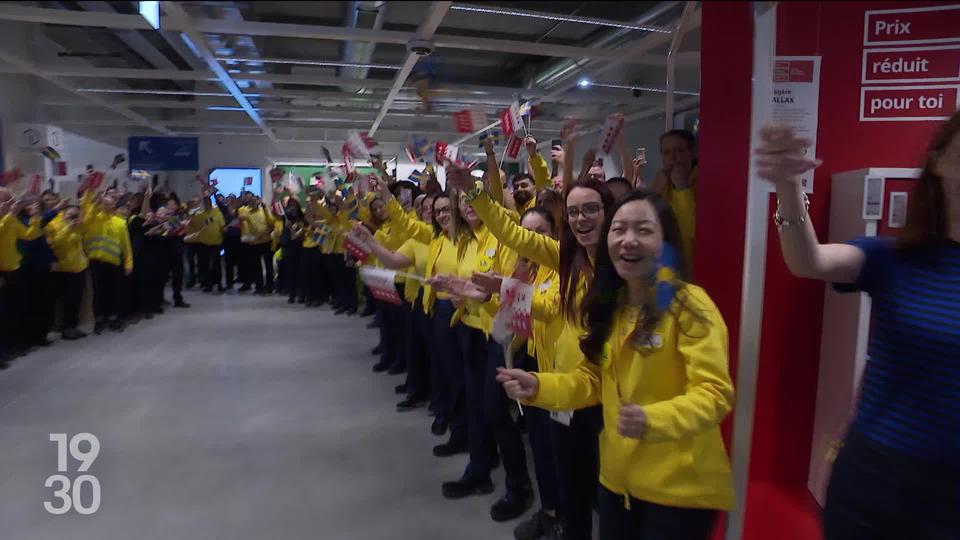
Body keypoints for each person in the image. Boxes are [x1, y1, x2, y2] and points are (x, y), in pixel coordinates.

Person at [755, 118, 960, 540]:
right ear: (939, 162)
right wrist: (789, 187)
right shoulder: (894, 258)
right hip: (874, 476)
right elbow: (807, 261)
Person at [498, 190, 735, 539]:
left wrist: (653, 419)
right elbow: (593, 379)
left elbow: (715, 393)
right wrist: (541, 386)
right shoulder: (612, 304)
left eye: (643, 230)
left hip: (679, 490)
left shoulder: (688, 305)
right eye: (619, 229)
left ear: (665, 240)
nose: (628, 240)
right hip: (617, 481)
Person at [448, 125, 615, 539]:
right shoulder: (564, 258)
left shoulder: (619, 269)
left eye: (591, 209)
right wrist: (472, 191)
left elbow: (545, 305)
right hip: (558, 381)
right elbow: (512, 233)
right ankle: (558, 518)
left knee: (593, 485)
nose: (581, 219)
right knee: (564, 471)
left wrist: (497, 288)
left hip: (599, 392)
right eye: (575, 212)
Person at [82, 187, 133, 334]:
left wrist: (129, 263)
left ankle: (118, 318)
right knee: (99, 293)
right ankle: (99, 319)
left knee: (117, 292)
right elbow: (86, 217)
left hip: (114, 263)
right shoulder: (93, 219)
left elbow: (126, 245)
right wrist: (95, 201)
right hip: (96, 262)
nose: (107, 206)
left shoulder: (120, 222)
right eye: (104, 203)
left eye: (110, 204)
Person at [644, 129, 697, 270]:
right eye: (667, 152)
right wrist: (653, 193)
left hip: (693, 268)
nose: (673, 157)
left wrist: (682, 189)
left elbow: (692, 230)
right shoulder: (659, 183)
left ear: (692, 153)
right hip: (660, 268)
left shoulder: (703, 182)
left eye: (679, 150)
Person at [49, 204, 88, 340]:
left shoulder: (79, 226)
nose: (73, 218)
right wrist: (68, 228)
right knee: (64, 301)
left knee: (75, 300)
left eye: (76, 215)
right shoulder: (54, 225)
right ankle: (64, 328)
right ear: (63, 214)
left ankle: (72, 326)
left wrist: (77, 223)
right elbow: (56, 244)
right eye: (70, 215)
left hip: (79, 268)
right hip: (63, 269)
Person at [238, 195, 275, 295]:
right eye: (252, 201)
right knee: (256, 266)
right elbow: (240, 217)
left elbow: (272, 223)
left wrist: (266, 208)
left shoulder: (264, 211)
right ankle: (259, 286)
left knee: (268, 265)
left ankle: (269, 286)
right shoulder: (246, 212)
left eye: (255, 201)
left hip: (266, 241)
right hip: (254, 243)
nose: (254, 203)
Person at [191, 189, 226, 293]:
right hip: (204, 244)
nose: (207, 204)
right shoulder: (200, 215)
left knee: (217, 265)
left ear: (210, 202)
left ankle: (219, 284)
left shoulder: (217, 213)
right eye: (205, 202)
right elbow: (193, 225)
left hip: (216, 243)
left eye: (208, 202)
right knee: (205, 265)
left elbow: (222, 226)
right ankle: (208, 284)